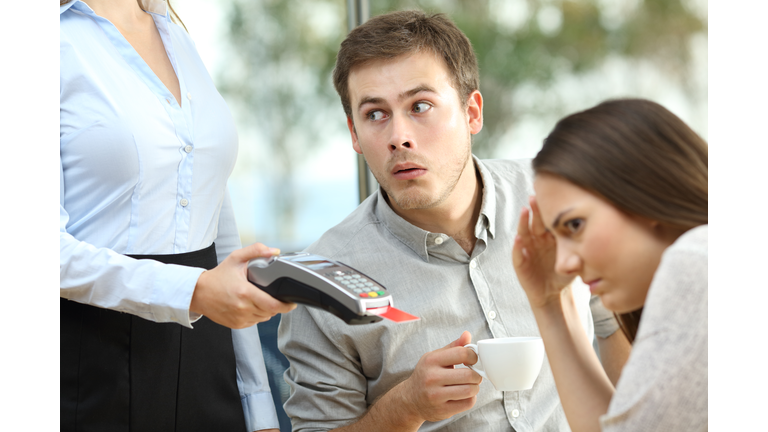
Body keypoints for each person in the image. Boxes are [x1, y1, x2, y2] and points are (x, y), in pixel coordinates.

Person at [277, 10, 628, 432]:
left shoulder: (557, 199)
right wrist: (406, 406)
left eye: (420, 106)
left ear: (472, 112)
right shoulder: (324, 284)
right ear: (354, 133)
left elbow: (617, 323)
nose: (398, 136)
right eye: (375, 114)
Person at [59, 1, 295, 431]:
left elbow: (219, 229)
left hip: (208, 358)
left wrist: (258, 407)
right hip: (91, 361)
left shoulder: (177, 36)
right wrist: (196, 290)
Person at [512, 98, 707, 432]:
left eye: (574, 225)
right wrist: (548, 304)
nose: (565, 263)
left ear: (645, 190)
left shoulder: (694, 262)